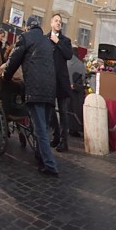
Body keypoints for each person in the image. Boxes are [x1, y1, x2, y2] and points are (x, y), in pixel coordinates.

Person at [3, 16, 59, 177]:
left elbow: (13, 60)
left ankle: (50, 165)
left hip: (35, 89)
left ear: (27, 27)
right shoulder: (46, 41)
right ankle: (41, 156)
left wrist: (6, 78)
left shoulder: (25, 38)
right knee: (43, 127)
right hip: (50, 89)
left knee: (40, 129)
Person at [46, 13, 73, 152]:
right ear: (51, 23)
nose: (58, 23)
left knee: (63, 112)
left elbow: (69, 55)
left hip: (61, 81)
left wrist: (58, 42)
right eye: (56, 21)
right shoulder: (44, 39)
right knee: (50, 111)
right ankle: (56, 136)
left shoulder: (65, 41)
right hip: (49, 81)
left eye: (60, 22)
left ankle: (64, 141)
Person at [66, 46, 85, 136]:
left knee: (68, 109)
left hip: (68, 90)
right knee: (75, 110)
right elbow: (83, 79)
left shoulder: (66, 63)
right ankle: (74, 130)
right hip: (76, 92)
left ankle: (69, 128)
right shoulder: (80, 65)